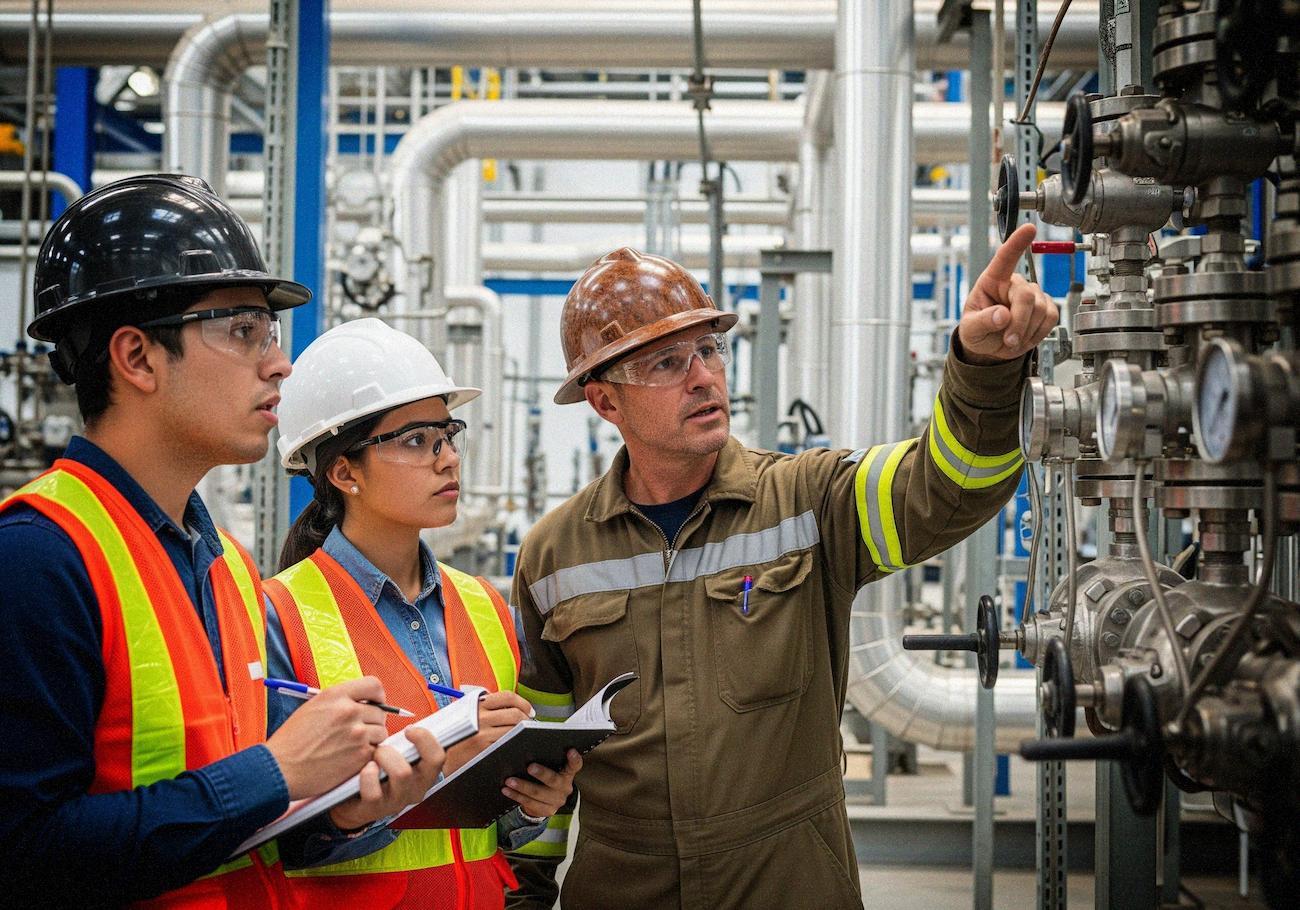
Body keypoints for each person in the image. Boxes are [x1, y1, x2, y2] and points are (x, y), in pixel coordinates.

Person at [505, 228, 1059, 909]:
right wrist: (522, 899)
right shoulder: (553, 555)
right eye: (667, 363)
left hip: (787, 886)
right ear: (604, 402)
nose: (704, 376)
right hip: (624, 889)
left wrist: (984, 369)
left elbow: (949, 484)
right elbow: (541, 765)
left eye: (709, 349)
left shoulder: (808, 502)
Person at [0, 174, 444, 908]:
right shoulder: (39, 557)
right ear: (137, 357)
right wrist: (275, 772)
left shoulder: (228, 567)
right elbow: (24, 850)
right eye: (243, 332)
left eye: (270, 334)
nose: (279, 364)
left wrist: (338, 811)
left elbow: (233, 826)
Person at [265, 317, 581, 909]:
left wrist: (527, 800)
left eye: (448, 434)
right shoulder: (278, 614)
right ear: (343, 472)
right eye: (416, 440)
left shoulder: (489, 608)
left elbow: (486, 830)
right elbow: (273, 832)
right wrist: (433, 767)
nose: (448, 460)